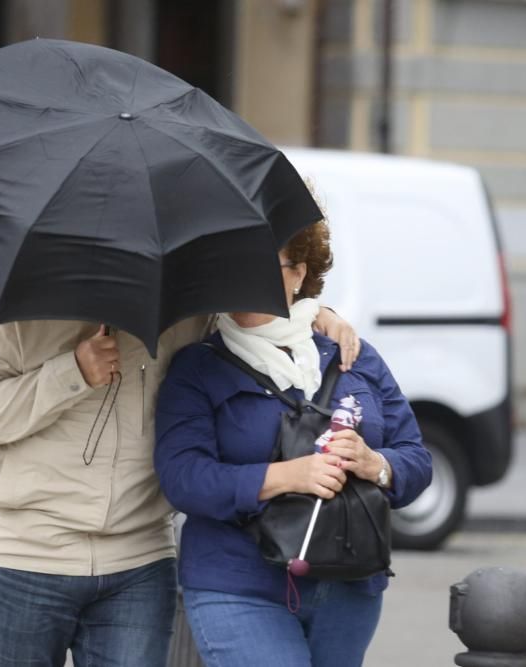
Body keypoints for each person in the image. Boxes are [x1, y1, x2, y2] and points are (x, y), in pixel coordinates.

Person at [0, 291, 360, 666]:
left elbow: (251, 323)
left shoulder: (188, 306)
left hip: (138, 560)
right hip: (16, 556)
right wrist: (71, 373)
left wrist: (315, 313)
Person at [154, 219, 433, 667]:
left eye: (262, 266)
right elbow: (183, 478)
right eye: (235, 266)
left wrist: (374, 463)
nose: (244, 280)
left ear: (299, 274)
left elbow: (417, 459)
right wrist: (286, 476)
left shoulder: (352, 357)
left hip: (349, 585)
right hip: (239, 583)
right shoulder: (197, 367)